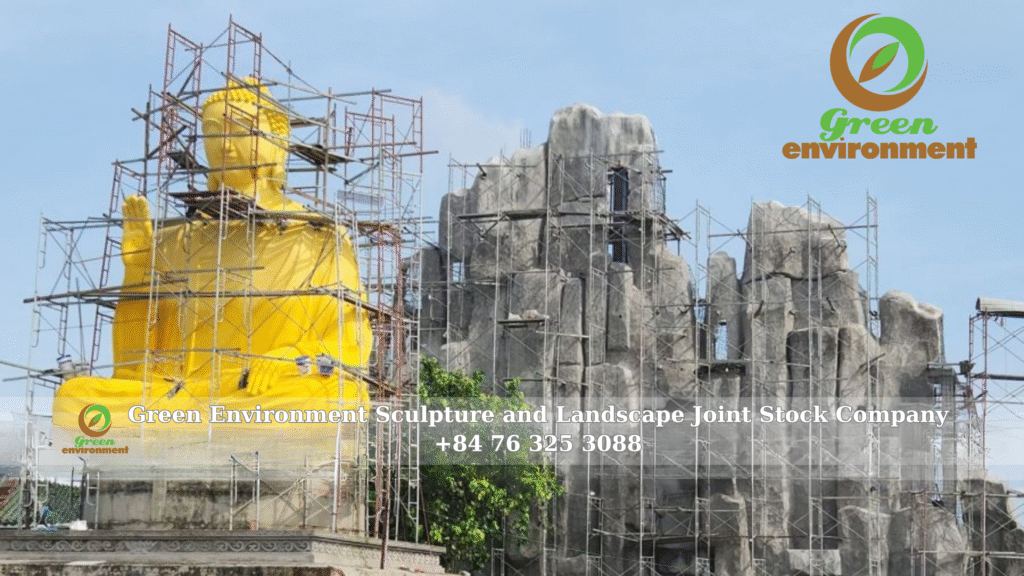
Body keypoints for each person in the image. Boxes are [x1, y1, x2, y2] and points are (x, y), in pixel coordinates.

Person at [53, 78, 372, 430]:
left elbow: (350, 343)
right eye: (213, 132)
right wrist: (138, 271)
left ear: (278, 144)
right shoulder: (175, 239)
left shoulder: (317, 235)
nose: (224, 144)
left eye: (240, 131)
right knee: (74, 397)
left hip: (263, 388)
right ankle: (198, 424)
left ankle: (184, 426)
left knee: (325, 395)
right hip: (183, 393)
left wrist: (291, 359)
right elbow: (133, 365)